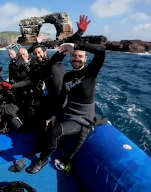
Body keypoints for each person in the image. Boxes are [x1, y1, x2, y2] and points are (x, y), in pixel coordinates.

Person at [0, 15, 91, 129]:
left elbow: (65, 47)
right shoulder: (40, 68)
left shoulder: (53, 61)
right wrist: (11, 86)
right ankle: (29, 127)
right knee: (31, 103)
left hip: (62, 99)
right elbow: (30, 81)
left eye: (40, 53)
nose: (38, 55)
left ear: (45, 52)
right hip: (52, 97)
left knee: (46, 120)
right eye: (36, 54)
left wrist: (79, 33)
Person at [26, 41, 106, 174]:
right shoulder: (67, 76)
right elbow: (64, 99)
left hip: (82, 118)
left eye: (80, 56)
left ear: (85, 58)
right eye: (74, 55)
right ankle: (41, 146)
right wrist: (54, 116)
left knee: (55, 130)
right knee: (44, 120)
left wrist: (78, 46)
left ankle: (43, 159)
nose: (76, 58)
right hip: (68, 111)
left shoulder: (90, 72)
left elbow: (101, 51)